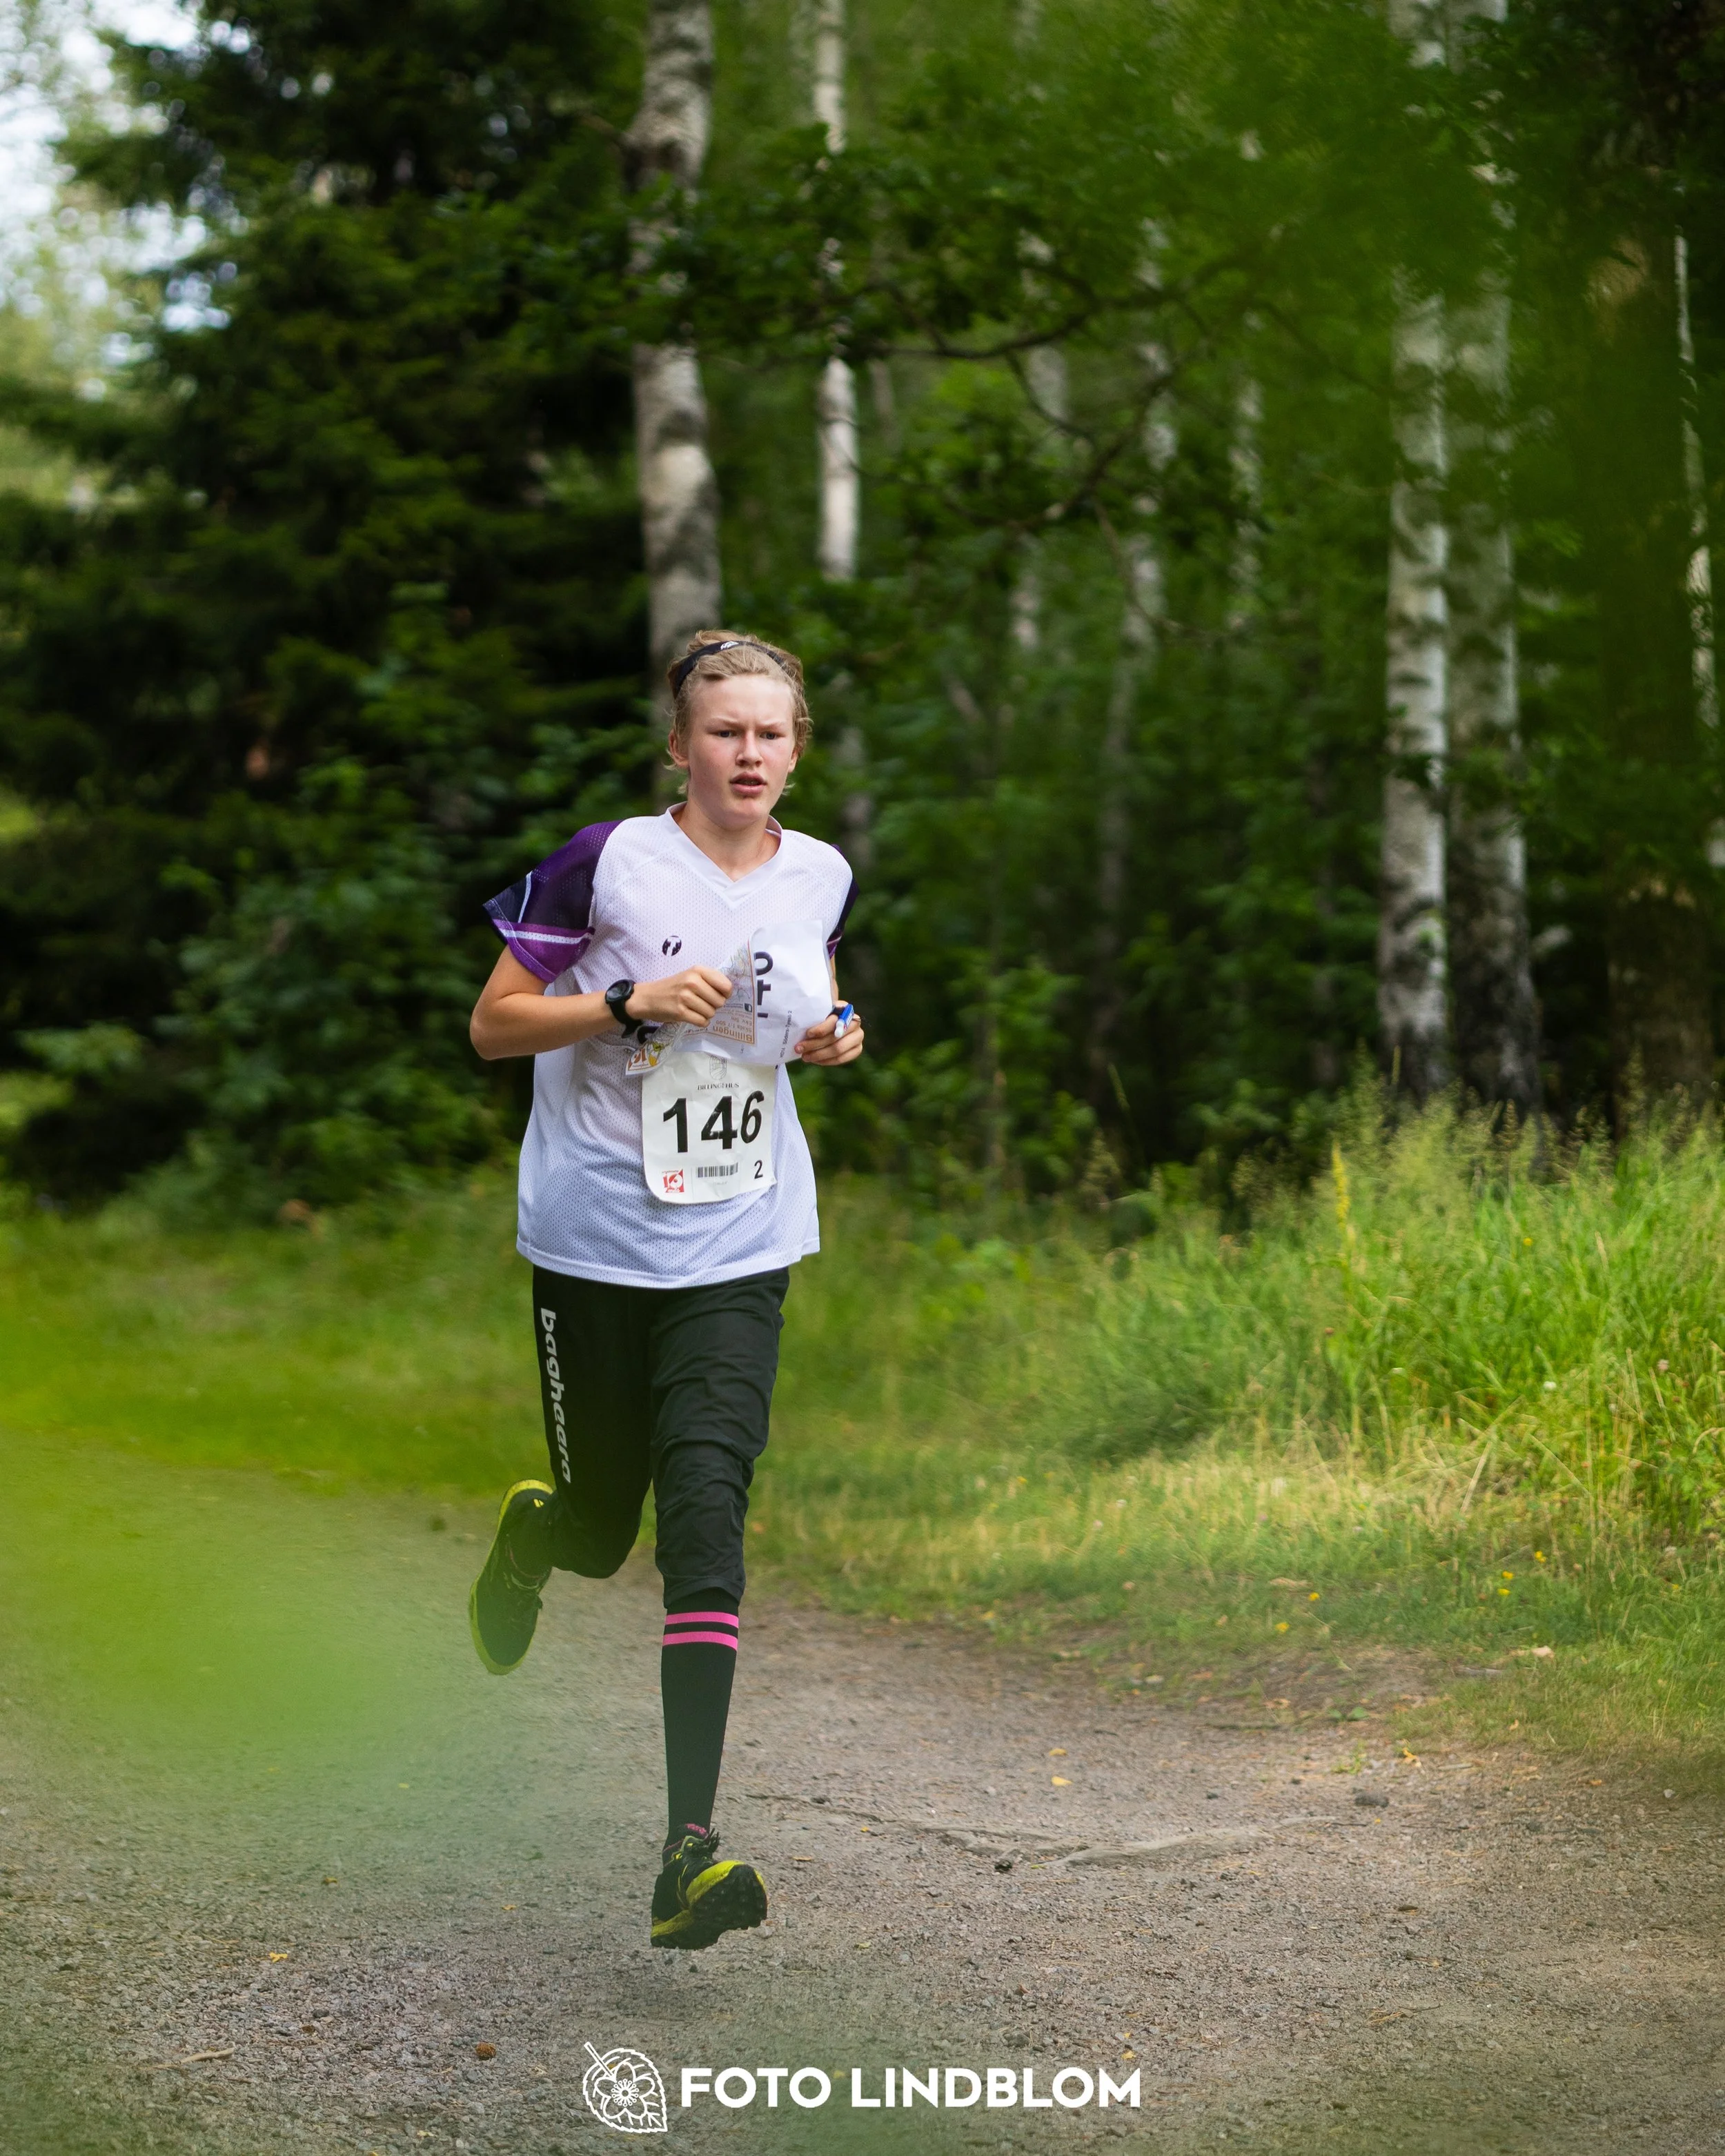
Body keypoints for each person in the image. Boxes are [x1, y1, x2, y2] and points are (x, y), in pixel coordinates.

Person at [465, 630, 865, 1952]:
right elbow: (495, 1023)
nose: (749, 753)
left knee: (707, 1513)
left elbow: (794, 987)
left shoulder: (822, 872)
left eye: (772, 733)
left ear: (797, 752)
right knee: (602, 1529)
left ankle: (687, 1849)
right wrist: (623, 1003)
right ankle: (540, 1538)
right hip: (593, 1245)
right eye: (725, 732)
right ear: (681, 749)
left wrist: (833, 1030)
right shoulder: (609, 860)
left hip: (741, 1244)